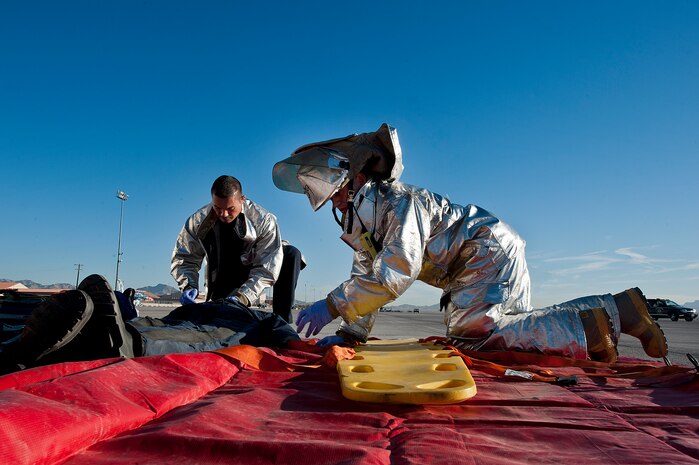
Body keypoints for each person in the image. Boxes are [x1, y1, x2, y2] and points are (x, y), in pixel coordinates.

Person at [272, 123, 668, 363]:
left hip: (482, 252)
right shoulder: (364, 219)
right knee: (510, 333)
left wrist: (334, 304)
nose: (330, 199)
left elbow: (398, 269)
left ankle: (592, 329)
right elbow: (370, 269)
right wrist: (352, 332)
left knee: (471, 337)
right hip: (483, 255)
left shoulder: (397, 201)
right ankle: (613, 312)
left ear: (355, 176)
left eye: (331, 188)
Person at [0, 274, 300, 374]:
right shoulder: (206, 302)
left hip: (238, 326)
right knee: (166, 324)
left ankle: (126, 340)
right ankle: (109, 335)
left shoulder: (256, 314)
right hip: (190, 314)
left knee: (203, 337)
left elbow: (278, 326)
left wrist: (295, 343)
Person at [171, 175, 305, 323]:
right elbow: (184, 258)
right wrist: (188, 285)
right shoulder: (197, 221)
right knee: (218, 318)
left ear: (242, 199)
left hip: (256, 264)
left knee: (291, 254)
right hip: (224, 268)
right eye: (217, 208)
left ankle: (281, 322)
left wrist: (243, 297)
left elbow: (267, 267)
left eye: (230, 209)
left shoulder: (264, 220)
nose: (223, 214)